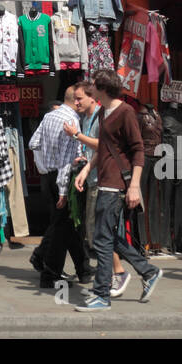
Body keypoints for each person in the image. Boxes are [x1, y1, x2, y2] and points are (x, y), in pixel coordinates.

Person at [74, 69, 162, 311]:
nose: (90, 91)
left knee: (102, 241)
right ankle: (148, 271)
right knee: (110, 237)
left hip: (116, 184)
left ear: (102, 89)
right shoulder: (103, 112)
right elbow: (105, 147)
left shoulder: (126, 112)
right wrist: (86, 170)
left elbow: (138, 150)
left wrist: (134, 186)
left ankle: (102, 294)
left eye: (94, 87)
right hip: (103, 179)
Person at [30, 85, 90, 287]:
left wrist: (43, 165)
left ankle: (83, 269)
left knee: (66, 225)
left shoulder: (49, 117)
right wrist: (64, 191)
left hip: (48, 176)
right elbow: (67, 161)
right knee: (61, 227)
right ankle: (49, 272)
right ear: (76, 100)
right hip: (61, 178)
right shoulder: (71, 121)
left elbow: (33, 143)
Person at [66, 81, 125, 283]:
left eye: (80, 98)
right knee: (95, 233)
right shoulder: (87, 118)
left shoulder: (101, 117)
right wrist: (84, 161)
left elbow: (103, 145)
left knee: (100, 233)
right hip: (92, 178)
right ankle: (109, 273)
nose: (76, 102)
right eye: (75, 98)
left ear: (93, 97)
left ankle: (116, 273)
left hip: (103, 180)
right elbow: (93, 150)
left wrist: (77, 135)